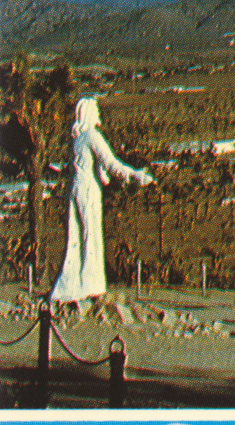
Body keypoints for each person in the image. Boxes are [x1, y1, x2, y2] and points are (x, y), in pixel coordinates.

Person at [50, 97, 156, 305]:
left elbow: (101, 171)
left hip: (75, 189)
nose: (99, 114)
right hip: (88, 190)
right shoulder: (92, 135)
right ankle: (90, 284)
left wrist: (116, 178)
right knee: (90, 235)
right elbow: (111, 163)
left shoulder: (77, 140)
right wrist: (135, 175)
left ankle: (72, 283)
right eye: (96, 110)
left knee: (77, 236)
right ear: (89, 113)